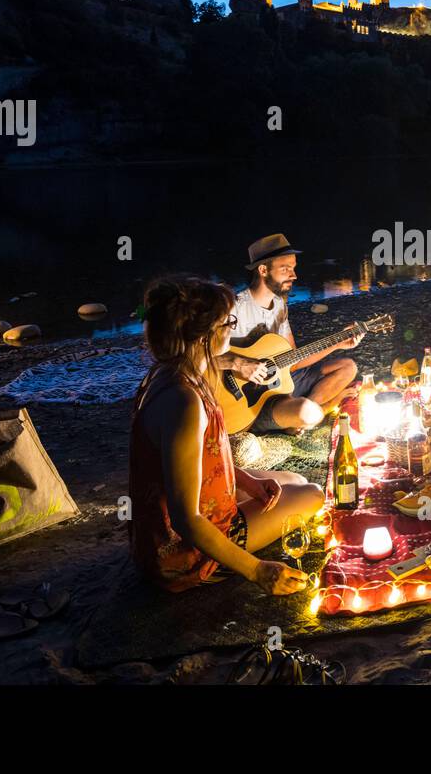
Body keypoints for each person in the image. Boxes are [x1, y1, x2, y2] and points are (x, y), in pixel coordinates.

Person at [129, 273, 324, 594]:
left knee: (292, 481)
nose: (233, 327)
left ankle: (252, 491)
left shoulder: (168, 372)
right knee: (312, 494)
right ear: (204, 337)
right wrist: (258, 571)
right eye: (226, 322)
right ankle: (223, 559)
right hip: (181, 553)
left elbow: (198, 462)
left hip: (181, 518)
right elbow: (184, 519)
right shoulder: (183, 402)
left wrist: (247, 481)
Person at [220, 233, 363, 434]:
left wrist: (338, 343)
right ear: (263, 270)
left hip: (282, 380)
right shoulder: (233, 306)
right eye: (285, 269)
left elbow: (293, 360)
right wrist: (239, 363)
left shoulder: (279, 305)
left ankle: (296, 416)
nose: (294, 275)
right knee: (308, 413)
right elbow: (197, 355)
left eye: (293, 268)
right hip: (250, 400)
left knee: (348, 367)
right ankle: (307, 413)